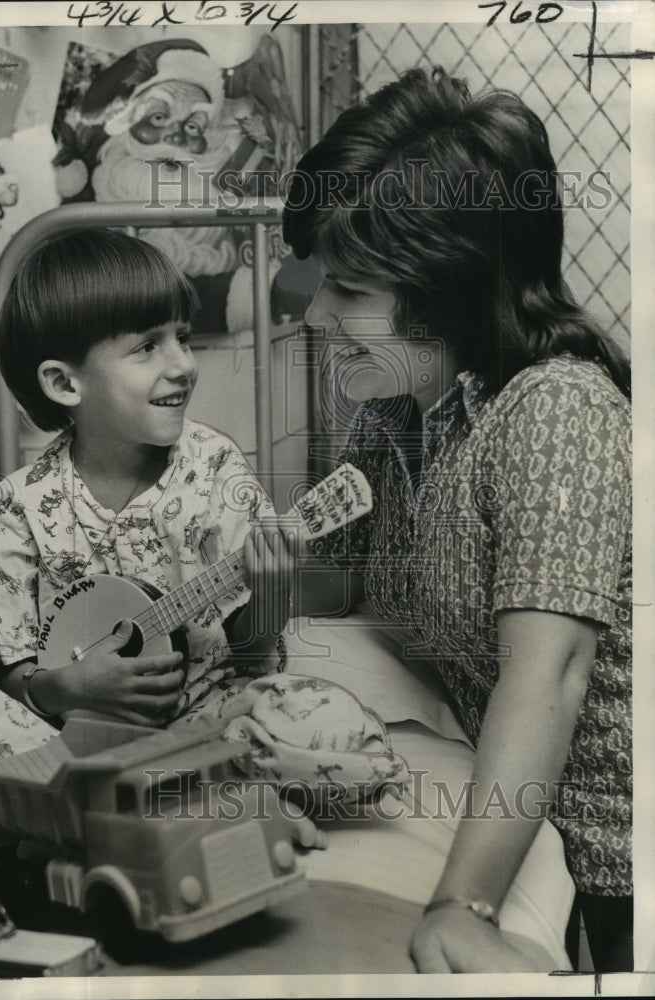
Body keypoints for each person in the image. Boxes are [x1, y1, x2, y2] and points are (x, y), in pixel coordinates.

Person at [282, 67, 632, 973]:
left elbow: (548, 673)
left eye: (349, 291)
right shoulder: (395, 412)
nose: (315, 316)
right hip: (516, 817)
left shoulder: (557, 409)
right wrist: (246, 575)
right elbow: (339, 592)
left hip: (615, 853)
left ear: (445, 292)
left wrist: (462, 903)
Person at [0, 228, 293, 727]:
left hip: (209, 713)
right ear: (63, 382)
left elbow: (251, 658)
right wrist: (67, 688)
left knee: (315, 722)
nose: (183, 364)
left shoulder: (214, 467)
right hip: (75, 730)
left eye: (182, 338)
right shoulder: (17, 508)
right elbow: (12, 674)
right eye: (147, 347)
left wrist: (271, 594)